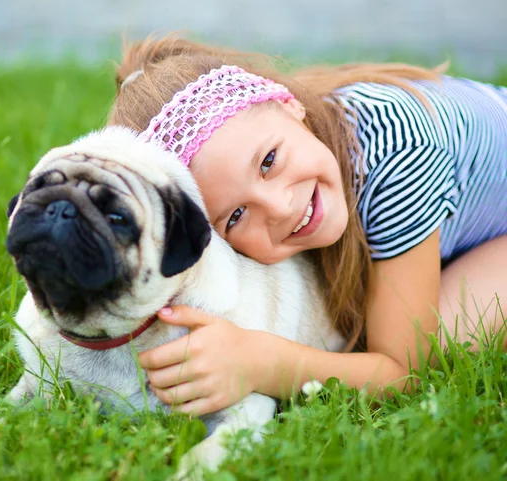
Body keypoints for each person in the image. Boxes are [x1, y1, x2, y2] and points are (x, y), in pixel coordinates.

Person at [107, 35, 507, 417]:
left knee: (433, 339)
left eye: (268, 161)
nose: (280, 207)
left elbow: (403, 373)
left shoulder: (398, 154)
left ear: (289, 105)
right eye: (236, 216)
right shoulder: (310, 154)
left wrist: (262, 361)